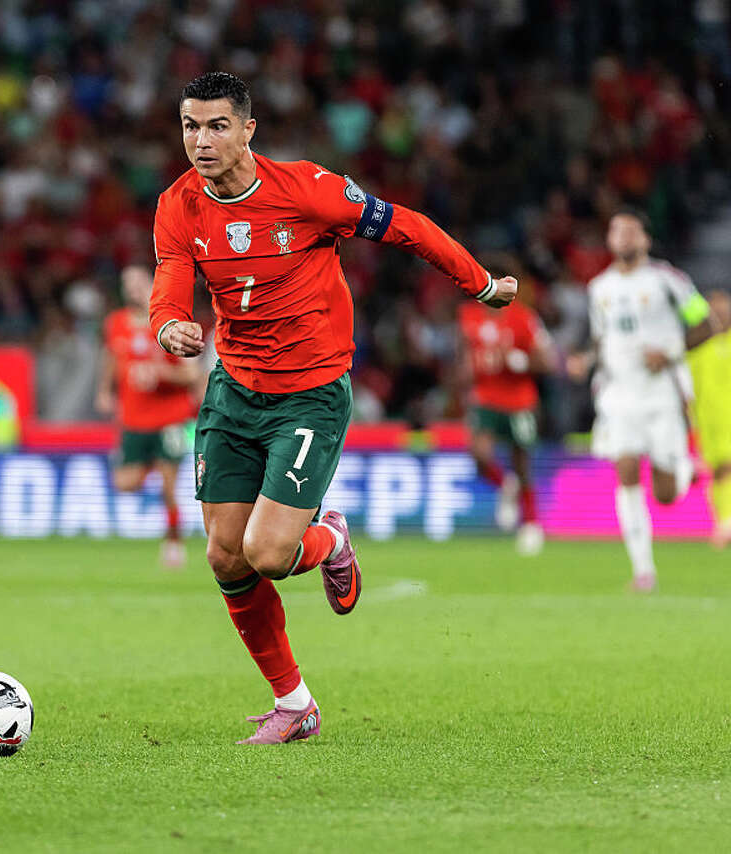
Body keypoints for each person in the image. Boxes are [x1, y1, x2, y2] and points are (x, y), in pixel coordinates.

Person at [149, 72, 517, 744]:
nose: (200, 141)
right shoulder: (179, 204)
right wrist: (170, 322)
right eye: (189, 126)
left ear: (249, 130)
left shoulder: (308, 192)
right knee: (224, 557)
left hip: (309, 395)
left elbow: (405, 227)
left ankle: (332, 539)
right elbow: (172, 278)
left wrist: (482, 282)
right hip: (233, 391)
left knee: (266, 551)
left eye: (216, 126)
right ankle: (295, 704)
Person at [568, 210, 718, 590]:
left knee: (666, 495)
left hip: (661, 392)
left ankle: (684, 470)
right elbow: (602, 341)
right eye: (617, 230)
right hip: (618, 392)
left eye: (632, 230)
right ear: (610, 239)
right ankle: (643, 571)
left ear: (646, 240)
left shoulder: (668, 280)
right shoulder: (598, 289)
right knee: (627, 469)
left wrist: (669, 353)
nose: (624, 236)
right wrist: (586, 360)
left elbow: (706, 323)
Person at [96, 265, 201, 568]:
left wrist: (160, 372)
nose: (133, 289)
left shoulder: (168, 325)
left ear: (153, 285)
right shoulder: (115, 323)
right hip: (133, 419)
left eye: (139, 283)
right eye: (127, 284)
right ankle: (152, 467)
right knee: (125, 482)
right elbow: (111, 356)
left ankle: (173, 542)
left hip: (170, 418)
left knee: (169, 487)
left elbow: (192, 374)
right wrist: (105, 389)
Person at [458, 286, 556, 555]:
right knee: (479, 455)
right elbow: (465, 355)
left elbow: (548, 361)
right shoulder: (469, 316)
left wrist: (523, 361)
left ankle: (532, 525)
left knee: (522, 464)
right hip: (485, 397)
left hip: (519, 401)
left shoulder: (524, 318)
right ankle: (506, 486)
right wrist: (466, 373)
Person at [685, 289, 731, 547]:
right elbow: (688, 388)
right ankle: (722, 521)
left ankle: (725, 522)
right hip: (709, 420)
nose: (720, 315)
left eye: (724, 309)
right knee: (719, 471)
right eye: (715, 311)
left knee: (726, 468)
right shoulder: (699, 349)